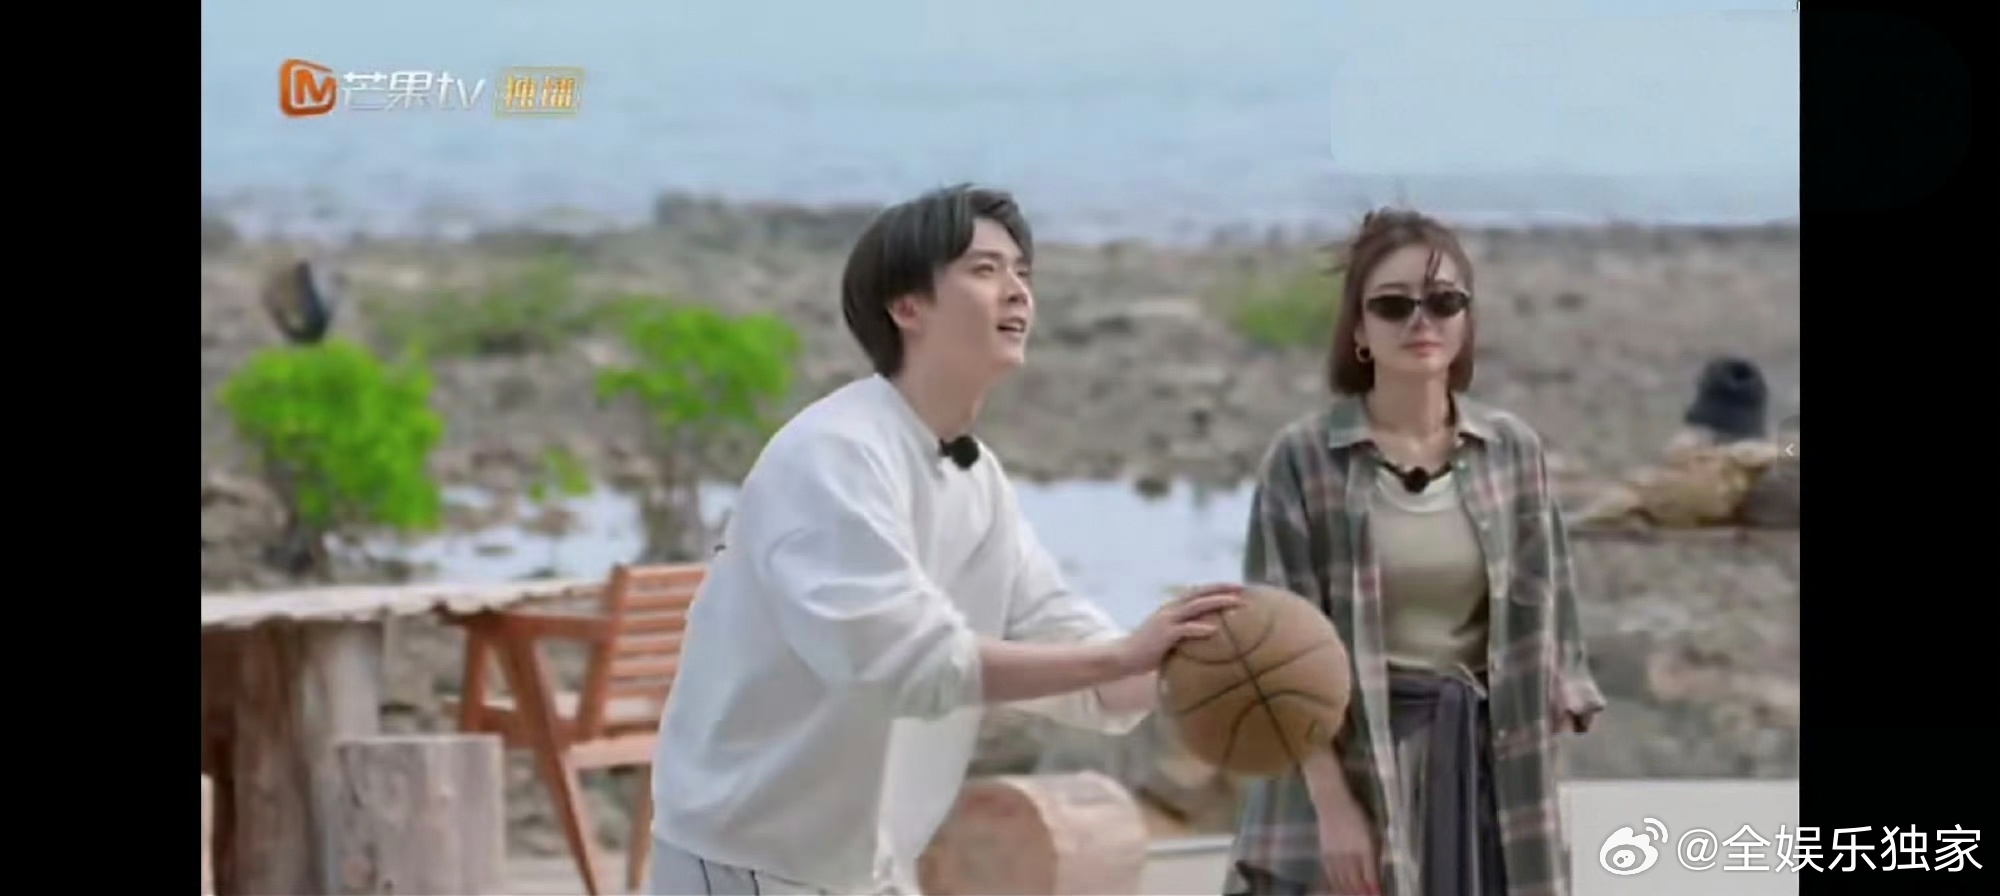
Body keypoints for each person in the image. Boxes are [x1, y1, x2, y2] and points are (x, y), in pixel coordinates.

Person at [647, 183, 1244, 896]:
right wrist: (1119, 655)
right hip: (748, 863)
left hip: (867, 870)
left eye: (1023, 272)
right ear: (908, 306)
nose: (1018, 291)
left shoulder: (974, 476)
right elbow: (905, 663)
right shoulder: (834, 453)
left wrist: (1201, 667)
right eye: (985, 270)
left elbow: (1061, 639)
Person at [1222, 209, 1606, 896]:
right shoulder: (1303, 460)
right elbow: (1273, 653)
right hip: (1351, 762)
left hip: (1488, 772)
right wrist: (1334, 808)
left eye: (1444, 301)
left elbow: (1553, 611)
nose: (1420, 322)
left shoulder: (1513, 452)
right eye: (1393, 306)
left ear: (1466, 320)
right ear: (1359, 330)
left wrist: (1561, 696)